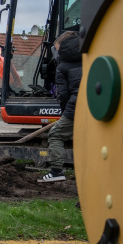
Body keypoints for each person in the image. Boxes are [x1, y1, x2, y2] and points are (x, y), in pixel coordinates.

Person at [38, 31, 81, 183]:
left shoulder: (62, 67)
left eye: (57, 49)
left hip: (75, 107)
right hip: (94, 107)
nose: (57, 54)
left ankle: (56, 172)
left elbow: (62, 95)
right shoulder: (88, 57)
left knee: (55, 134)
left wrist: (66, 114)